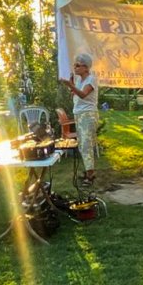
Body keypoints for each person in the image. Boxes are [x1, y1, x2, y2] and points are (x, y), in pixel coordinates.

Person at [60, 52, 100, 186]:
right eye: (74, 65)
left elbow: (83, 95)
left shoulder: (91, 79)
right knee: (82, 145)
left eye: (78, 65)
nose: (75, 67)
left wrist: (70, 86)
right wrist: (72, 86)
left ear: (86, 67)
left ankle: (90, 175)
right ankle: (89, 171)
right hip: (79, 114)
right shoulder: (79, 80)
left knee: (87, 144)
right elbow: (76, 95)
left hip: (88, 115)